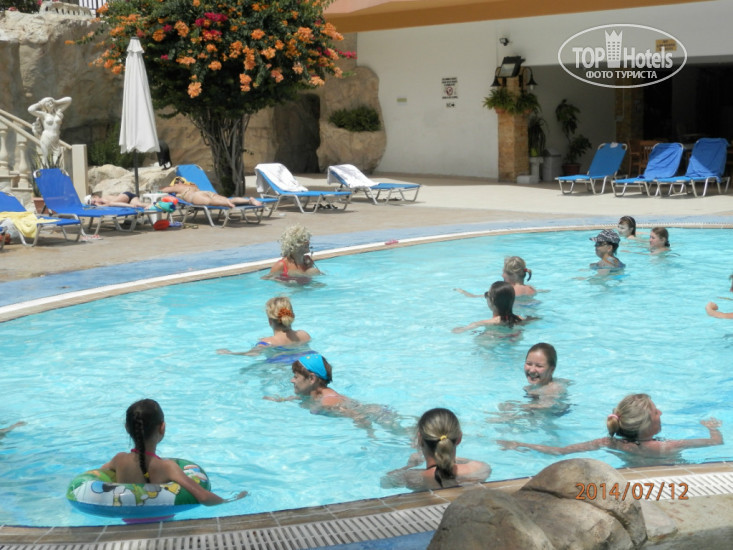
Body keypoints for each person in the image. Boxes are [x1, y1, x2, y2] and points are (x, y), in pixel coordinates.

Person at [99, 399, 247, 505]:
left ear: (127, 428)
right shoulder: (167, 467)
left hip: (127, 522)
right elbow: (203, 497)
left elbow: (97, 476)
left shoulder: (119, 460)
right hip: (162, 525)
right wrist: (230, 500)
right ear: (162, 428)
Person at [497, 393, 723, 458]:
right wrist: (712, 427)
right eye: (656, 412)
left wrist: (520, 444)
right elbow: (716, 443)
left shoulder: (610, 443)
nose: (661, 413)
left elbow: (560, 451)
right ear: (646, 426)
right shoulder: (668, 446)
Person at [381, 408, 491, 490]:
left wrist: (410, 466)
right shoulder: (479, 469)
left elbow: (385, 482)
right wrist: (453, 457)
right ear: (459, 438)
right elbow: (475, 465)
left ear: (420, 439)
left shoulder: (412, 477)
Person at [217, 296, 312, 356]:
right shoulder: (304, 335)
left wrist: (229, 353)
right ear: (293, 316)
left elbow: (252, 354)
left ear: (270, 321)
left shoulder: (267, 342)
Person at [452, 281, 531, 333]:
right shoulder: (520, 319)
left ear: (492, 300)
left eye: (487, 295)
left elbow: (457, 331)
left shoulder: (483, 323)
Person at [454, 256, 536, 299]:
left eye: (504, 272)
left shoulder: (508, 292)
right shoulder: (532, 289)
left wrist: (463, 292)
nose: (502, 275)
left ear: (512, 275)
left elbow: (475, 297)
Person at [160, 176, 262, 208]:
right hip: (206, 192)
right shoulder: (192, 185)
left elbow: (163, 190)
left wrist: (168, 188)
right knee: (228, 199)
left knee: (209, 202)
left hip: (195, 196)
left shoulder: (178, 186)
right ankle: (249, 201)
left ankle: (226, 204)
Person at [28, 96, 72, 163]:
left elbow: (69, 100)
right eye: (47, 104)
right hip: (46, 136)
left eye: (51, 103)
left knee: (57, 156)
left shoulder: (58, 111)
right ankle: (45, 169)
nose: (50, 105)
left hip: (56, 137)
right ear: (45, 106)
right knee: (45, 156)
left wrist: (56, 101)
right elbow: (30, 109)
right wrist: (40, 104)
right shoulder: (43, 114)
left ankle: (54, 169)